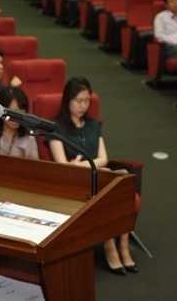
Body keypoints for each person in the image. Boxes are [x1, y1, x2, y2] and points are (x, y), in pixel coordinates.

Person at [45, 77, 138, 276]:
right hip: (73, 181)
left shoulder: (93, 124)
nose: (83, 105)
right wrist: (87, 168)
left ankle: (122, 244)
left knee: (123, 184)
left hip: (94, 173)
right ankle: (109, 246)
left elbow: (104, 158)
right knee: (107, 187)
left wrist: (82, 165)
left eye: (87, 101)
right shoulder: (56, 127)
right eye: (78, 100)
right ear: (68, 100)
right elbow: (63, 165)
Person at [0, 86, 39, 158]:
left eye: (21, 112)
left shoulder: (29, 137)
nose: (17, 118)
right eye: (14, 112)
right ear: (0, 111)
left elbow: (36, 166)